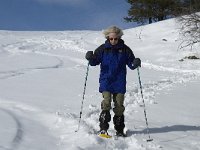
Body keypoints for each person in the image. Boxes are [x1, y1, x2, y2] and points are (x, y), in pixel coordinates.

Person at [85, 26, 141, 137]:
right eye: (111, 39)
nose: (113, 41)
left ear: (119, 37)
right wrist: (90, 57)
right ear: (108, 38)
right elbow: (94, 61)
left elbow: (131, 64)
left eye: (115, 39)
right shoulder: (102, 49)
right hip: (106, 80)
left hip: (119, 81)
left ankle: (119, 130)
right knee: (106, 103)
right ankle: (103, 129)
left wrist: (135, 63)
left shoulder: (125, 49)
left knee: (119, 106)